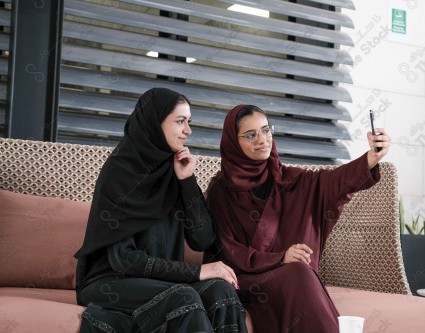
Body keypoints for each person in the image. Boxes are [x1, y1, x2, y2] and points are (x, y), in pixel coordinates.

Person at [205, 105, 391, 333]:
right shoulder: (220, 191)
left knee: (299, 271)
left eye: (266, 130)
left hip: (291, 275)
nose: (262, 140)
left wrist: (370, 158)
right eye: (251, 135)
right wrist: (279, 258)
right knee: (298, 272)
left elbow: (333, 183)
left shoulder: (290, 180)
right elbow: (227, 249)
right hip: (245, 279)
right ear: (234, 141)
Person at [74, 88, 248, 333]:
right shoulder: (120, 173)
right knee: (184, 297)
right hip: (109, 282)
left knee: (222, 290)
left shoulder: (173, 169)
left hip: (162, 283)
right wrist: (198, 271)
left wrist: (187, 181)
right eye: (180, 121)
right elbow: (123, 260)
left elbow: (202, 240)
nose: (188, 130)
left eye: (189, 122)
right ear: (155, 123)